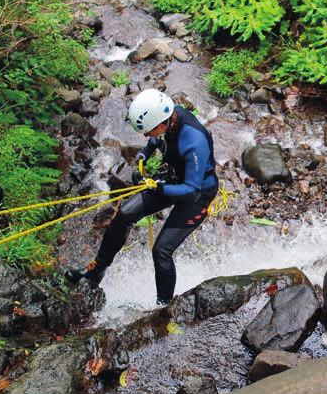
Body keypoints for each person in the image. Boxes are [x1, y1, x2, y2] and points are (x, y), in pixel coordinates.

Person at [65, 90, 218, 305]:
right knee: (124, 214)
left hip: (197, 194)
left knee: (161, 250)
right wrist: (143, 155)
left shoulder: (194, 142)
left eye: (148, 131)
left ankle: (164, 307)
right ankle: (96, 272)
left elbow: (191, 189)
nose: (146, 135)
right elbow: (156, 141)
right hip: (172, 181)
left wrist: (159, 189)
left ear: (162, 123)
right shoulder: (167, 120)